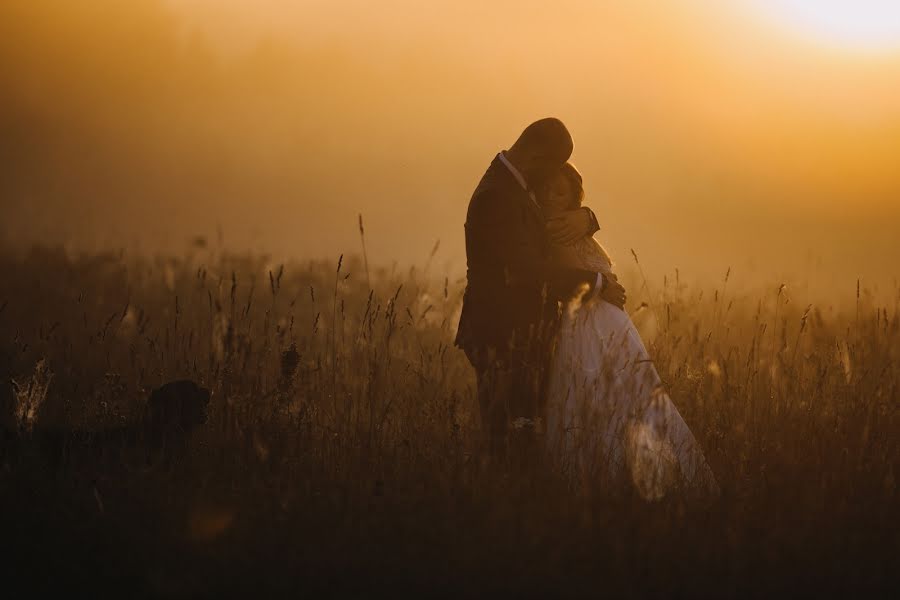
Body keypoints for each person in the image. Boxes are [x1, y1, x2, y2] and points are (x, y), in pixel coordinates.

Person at [541, 163, 719, 500]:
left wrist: (587, 216)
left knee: (633, 394)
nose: (551, 196)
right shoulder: (553, 228)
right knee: (593, 396)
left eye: (560, 191)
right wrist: (599, 283)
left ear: (572, 198)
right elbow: (561, 276)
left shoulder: (572, 225)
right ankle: (603, 476)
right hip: (586, 327)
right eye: (547, 189)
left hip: (611, 325)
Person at [455, 118, 627, 463]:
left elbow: (555, 214)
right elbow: (528, 271)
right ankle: (509, 506)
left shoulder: (515, 183)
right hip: (502, 340)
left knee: (528, 434)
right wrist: (597, 283)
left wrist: (588, 216)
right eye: (551, 167)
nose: (551, 180)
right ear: (536, 157)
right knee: (511, 439)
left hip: (524, 338)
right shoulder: (497, 197)